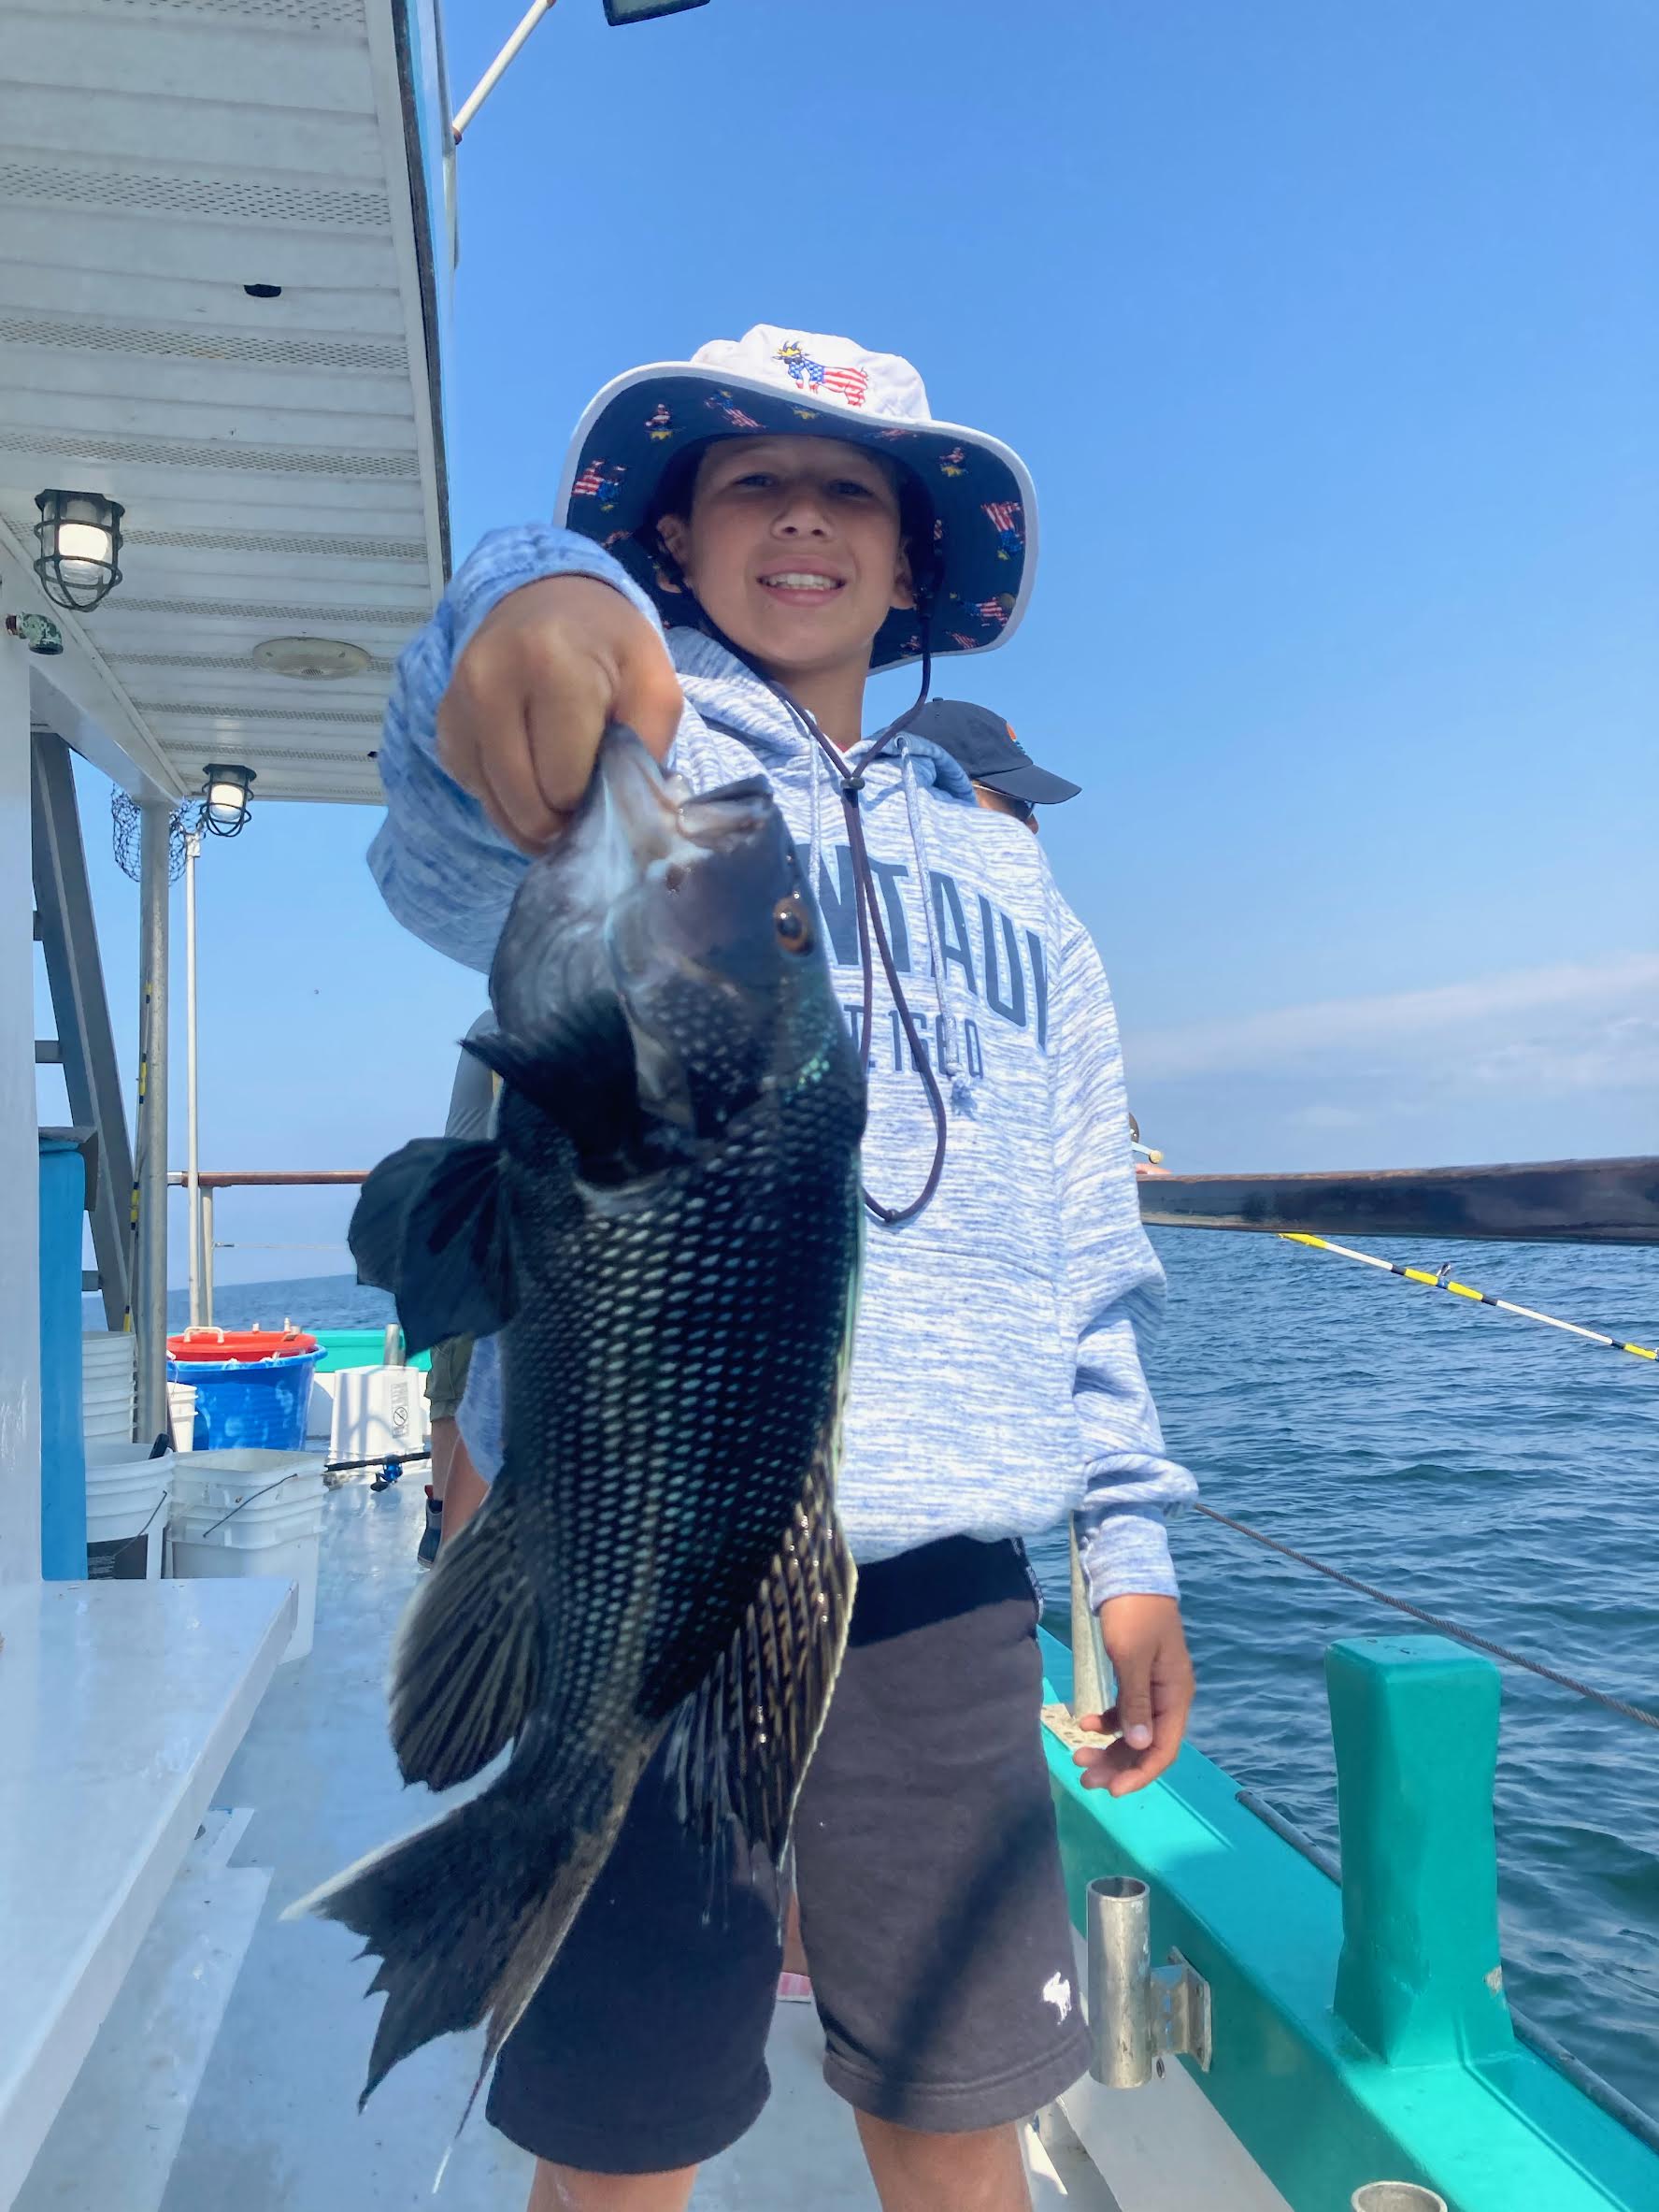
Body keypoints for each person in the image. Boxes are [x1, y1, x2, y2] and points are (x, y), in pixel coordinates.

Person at [370, 324, 1196, 2212]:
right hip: (631, 1552)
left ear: (911, 565)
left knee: (953, 2095)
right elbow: (436, 837)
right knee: (620, 2120)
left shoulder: (1009, 872)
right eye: (753, 480)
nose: (805, 515)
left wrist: (1125, 1540)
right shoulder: (625, 764)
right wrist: (532, 594)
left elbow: (1086, 1230)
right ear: (675, 534)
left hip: (938, 1583)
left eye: (853, 493)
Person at [418, 1014, 496, 1564]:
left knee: (463, 1384)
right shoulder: (512, 1022)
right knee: (474, 1384)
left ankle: (443, 1529)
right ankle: (449, 1536)